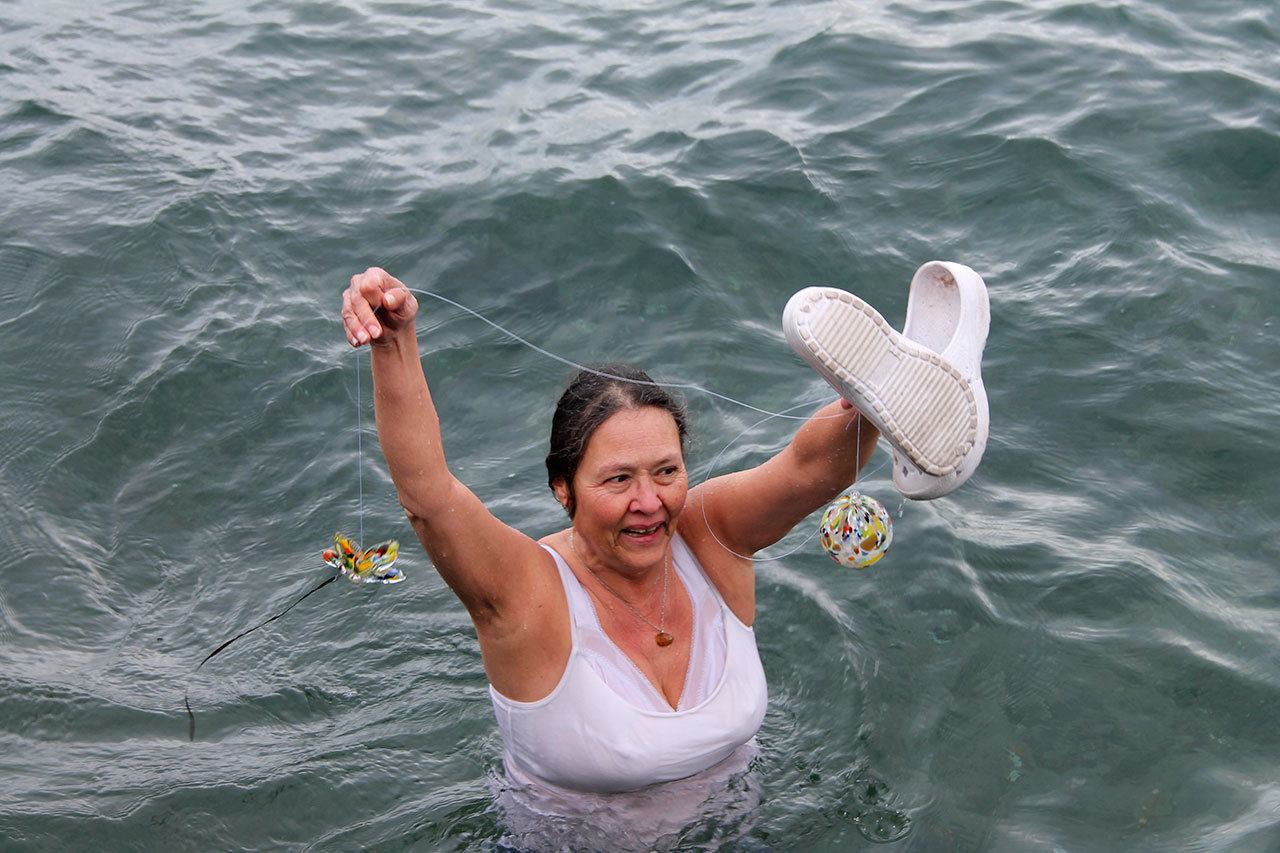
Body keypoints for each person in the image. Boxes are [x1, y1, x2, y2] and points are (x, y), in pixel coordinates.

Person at [339, 268, 880, 797]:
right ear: (562, 489)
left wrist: (879, 397)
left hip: (743, 831)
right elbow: (429, 500)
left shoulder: (710, 533)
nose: (649, 502)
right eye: (618, 479)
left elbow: (810, 469)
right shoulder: (528, 594)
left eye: (666, 471)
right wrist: (393, 343)